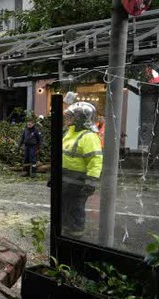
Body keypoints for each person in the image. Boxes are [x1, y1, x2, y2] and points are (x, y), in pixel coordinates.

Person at [62, 102, 103, 238]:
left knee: (76, 209)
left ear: (81, 119)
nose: (69, 119)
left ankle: (76, 236)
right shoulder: (70, 133)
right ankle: (66, 232)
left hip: (78, 184)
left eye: (72, 117)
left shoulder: (89, 137)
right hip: (66, 182)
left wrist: (91, 183)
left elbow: (95, 161)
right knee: (65, 208)